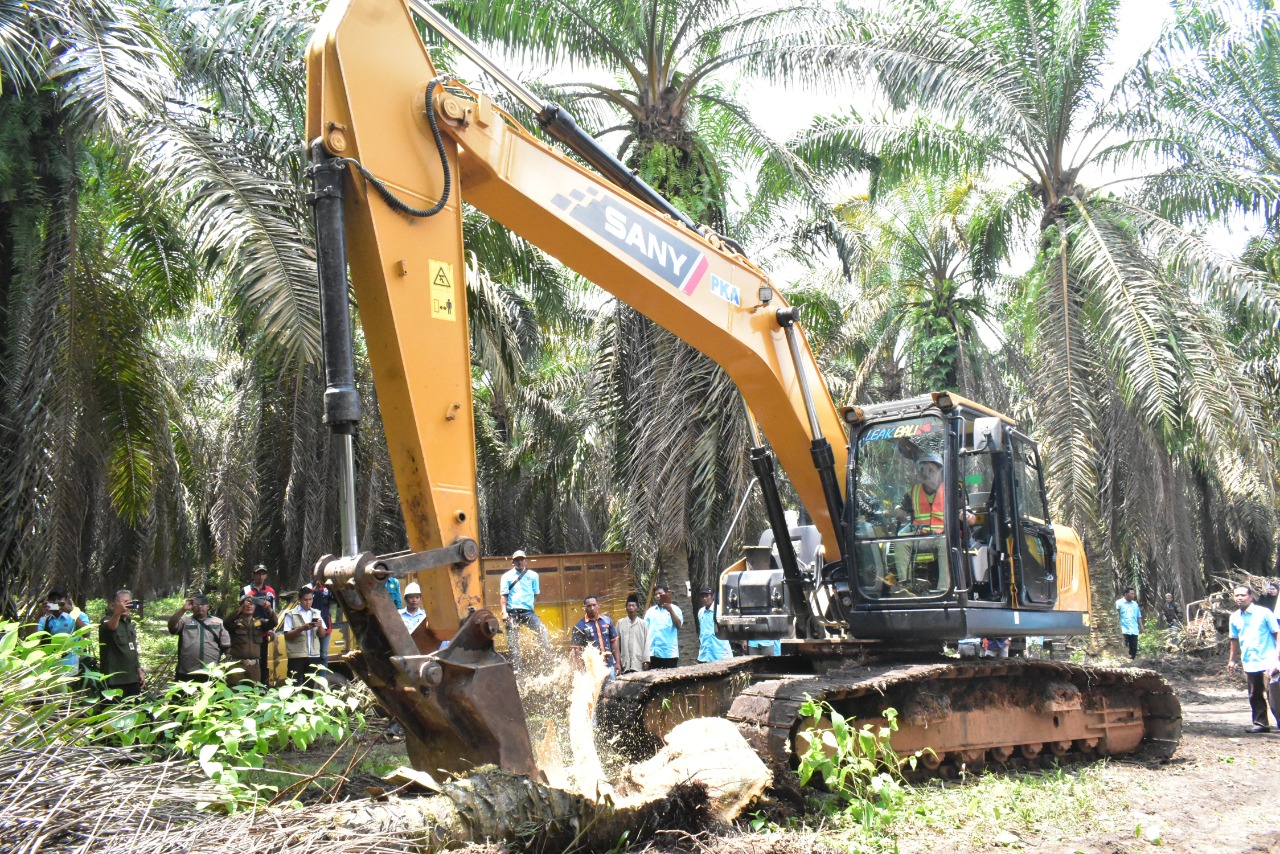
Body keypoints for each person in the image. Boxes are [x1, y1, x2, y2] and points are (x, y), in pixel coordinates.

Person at [1226, 585, 1280, 733]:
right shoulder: (1234, 617)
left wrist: (1277, 657)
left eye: (1243, 595)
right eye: (1237, 595)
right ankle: (1261, 723)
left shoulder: (1264, 613)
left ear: (1251, 597)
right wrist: (1232, 660)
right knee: (1254, 694)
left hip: (1268, 660)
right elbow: (1234, 639)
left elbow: (1277, 633)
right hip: (1250, 661)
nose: (1240, 598)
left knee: (1274, 695)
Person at [500, 550, 549, 669]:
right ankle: (518, 667)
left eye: (522, 559)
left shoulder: (533, 575)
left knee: (542, 631)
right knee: (513, 643)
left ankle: (545, 660)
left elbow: (536, 593)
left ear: (525, 561)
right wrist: (504, 612)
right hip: (512, 612)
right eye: (517, 560)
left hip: (528, 612)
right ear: (513, 562)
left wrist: (530, 605)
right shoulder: (506, 576)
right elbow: (503, 595)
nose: (519, 562)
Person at [168, 595, 231, 682]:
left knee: (211, 695)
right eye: (197, 604)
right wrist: (183, 609)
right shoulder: (184, 621)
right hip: (186, 672)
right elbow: (171, 627)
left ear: (208, 607)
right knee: (182, 696)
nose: (200, 606)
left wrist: (229, 665)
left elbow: (226, 646)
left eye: (203, 604)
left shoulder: (218, 622)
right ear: (192, 607)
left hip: (210, 672)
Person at [99, 590, 144, 699]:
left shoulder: (129, 624)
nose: (126, 606)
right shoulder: (107, 620)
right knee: (114, 713)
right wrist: (117, 613)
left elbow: (132, 650)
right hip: (114, 681)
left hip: (132, 679)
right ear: (112, 605)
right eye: (123, 602)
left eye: (129, 603)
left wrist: (139, 670)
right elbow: (111, 627)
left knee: (133, 712)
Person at [280, 587, 328, 685]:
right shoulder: (291, 614)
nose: (308, 602)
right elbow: (287, 635)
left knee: (310, 685)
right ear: (299, 600)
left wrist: (320, 627)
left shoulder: (316, 613)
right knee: (294, 684)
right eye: (305, 600)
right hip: (297, 655)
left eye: (310, 599)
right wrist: (302, 628)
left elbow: (322, 635)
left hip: (313, 654)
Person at [37, 589, 90, 671]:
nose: (57, 606)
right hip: (48, 663)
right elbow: (33, 637)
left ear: (67, 602)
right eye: (53, 603)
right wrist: (38, 616)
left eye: (60, 604)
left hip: (69, 663)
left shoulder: (78, 615)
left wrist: (72, 613)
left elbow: (86, 634)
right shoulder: (45, 619)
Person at [224, 595, 270, 687]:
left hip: (254, 666)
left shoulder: (259, 623)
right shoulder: (235, 623)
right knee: (234, 693)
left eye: (252, 604)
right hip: (237, 665)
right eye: (246, 603)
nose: (249, 606)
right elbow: (226, 623)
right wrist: (241, 608)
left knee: (253, 694)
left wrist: (269, 609)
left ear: (255, 607)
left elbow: (273, 623)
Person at [570, 595, 620, 679]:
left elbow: (614, 642)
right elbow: (577, 651)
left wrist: (618, 663)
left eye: (594, 605)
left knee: (611, 690)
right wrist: (582, 671)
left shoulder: (607, 621)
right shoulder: (579, 627)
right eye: (589, 606)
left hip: (609, 665)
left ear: (598, 605)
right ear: (584, 608)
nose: (592, 608)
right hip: (592, 669)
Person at [244, 565, 278, 678]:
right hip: (250, 630)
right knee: (249, 659)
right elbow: (241, 609)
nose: (260, 576)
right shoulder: (246, 590)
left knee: (264, 659)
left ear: (266, 575)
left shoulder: (270, 591)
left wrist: (272, 630)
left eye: (263, 574)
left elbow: (273, 611)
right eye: (258, 573)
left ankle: (263, 686)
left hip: (264, 630)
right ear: (253, 575)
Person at [645, 583, 683, 668]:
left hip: (669, 654)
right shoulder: (650, 612)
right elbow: (645, 630)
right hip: (653, 653)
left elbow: (678, 625)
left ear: (667, 594)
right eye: (656, 594)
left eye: (660, 594)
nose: (658, 596)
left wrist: (670, 611)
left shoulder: (676, 609)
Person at [696, 587, 732, 663]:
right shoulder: (701, 612)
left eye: (707, 596)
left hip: (720, 651)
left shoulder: (720, 610)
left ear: (712, 596)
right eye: (702, 596)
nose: (705, 598)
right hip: (705, 651)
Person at [617, 593, 649, 674]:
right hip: (624, 663)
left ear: (637, 608)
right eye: (629, 605)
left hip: (639, 663)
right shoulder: (620, 623)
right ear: (626, 608)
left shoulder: (643, 624)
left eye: (633, 606)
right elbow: (616, 644)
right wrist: (617, 661)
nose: (631, 608)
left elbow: (647, 643)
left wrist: (646, 660)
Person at [308, 577, 336, 664]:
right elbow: (304, 601)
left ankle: (322, 677)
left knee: (323, 655)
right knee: (311, 655)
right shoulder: (308, 587)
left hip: (325, 625)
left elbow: (336, 600)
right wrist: (315, 589)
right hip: (310, 626)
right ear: (312, 573)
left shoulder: (327, 588)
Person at [1115, 586, 1142, 659]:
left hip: (1133, 629)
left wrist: (1141, 627)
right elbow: (1115, 615)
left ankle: (1132, 662)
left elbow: (1138, 616)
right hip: (1123, 629)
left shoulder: (1135, 604)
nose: (1133, 595)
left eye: (1134, 594)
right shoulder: (1119, 603)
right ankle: (1124, 661)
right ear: (1126, 594)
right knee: (1124, 646)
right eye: (1131, 594)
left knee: (1134, 647)